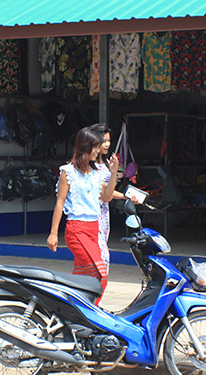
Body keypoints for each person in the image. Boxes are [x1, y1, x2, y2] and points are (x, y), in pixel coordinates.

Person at [48, 127, 118, 302]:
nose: (98, 150)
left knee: (82, 278)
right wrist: (53, 233)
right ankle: (89, 310)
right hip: (76, 230)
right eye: (95, 146)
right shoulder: (68, 172)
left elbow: (107, 197)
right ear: (84, 146)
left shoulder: (96, 174)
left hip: (94, 230)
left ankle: (71, 308)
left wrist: (114, 172)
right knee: (99, 274)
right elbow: (60, 203)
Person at [90, 123, 139, 277]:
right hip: (91, 215)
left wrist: (126, 196)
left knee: (101, 256)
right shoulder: (88, 166)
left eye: (109, 140)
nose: (107, 144)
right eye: (103, 140)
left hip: (104, 216)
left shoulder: (105, 164)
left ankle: (97, 295)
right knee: (101, 258)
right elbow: (104, 193)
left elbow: (108, 193)